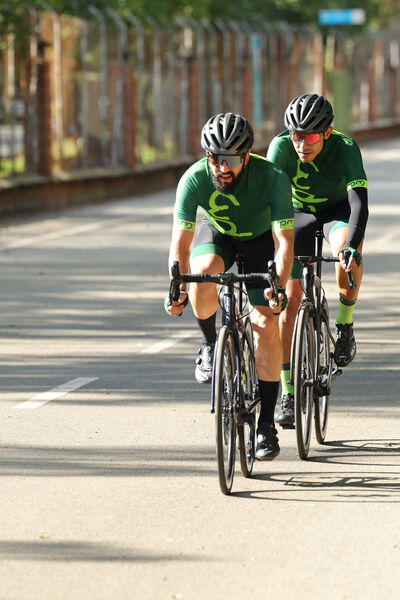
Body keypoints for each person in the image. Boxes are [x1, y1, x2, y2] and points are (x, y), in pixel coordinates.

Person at [165, 112, 294, 460]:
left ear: (247, 157)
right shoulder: (193, 179)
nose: (223, 167)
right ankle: (210, 344)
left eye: (232, 160)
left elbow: (284, 243)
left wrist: (277, 287)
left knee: (265, 324)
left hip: (260, 242)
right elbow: (181, 241)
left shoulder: (272, 178)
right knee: (202, 273)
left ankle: (266, 425)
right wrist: (176, 284)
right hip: (219, 235)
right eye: (215, 158)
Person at [266, 93, 368, 427]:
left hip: (336, 212)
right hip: (296, 214)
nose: (301, 143)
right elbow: (271, 205)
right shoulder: (280, 148)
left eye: (310, 136)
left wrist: (350, 246)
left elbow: (358, 205)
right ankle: (288, 392)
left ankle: (345, 324)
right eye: (296, 135)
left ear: (327, 132)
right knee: (290, 300)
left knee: (346, 257)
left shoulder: (346, 148)